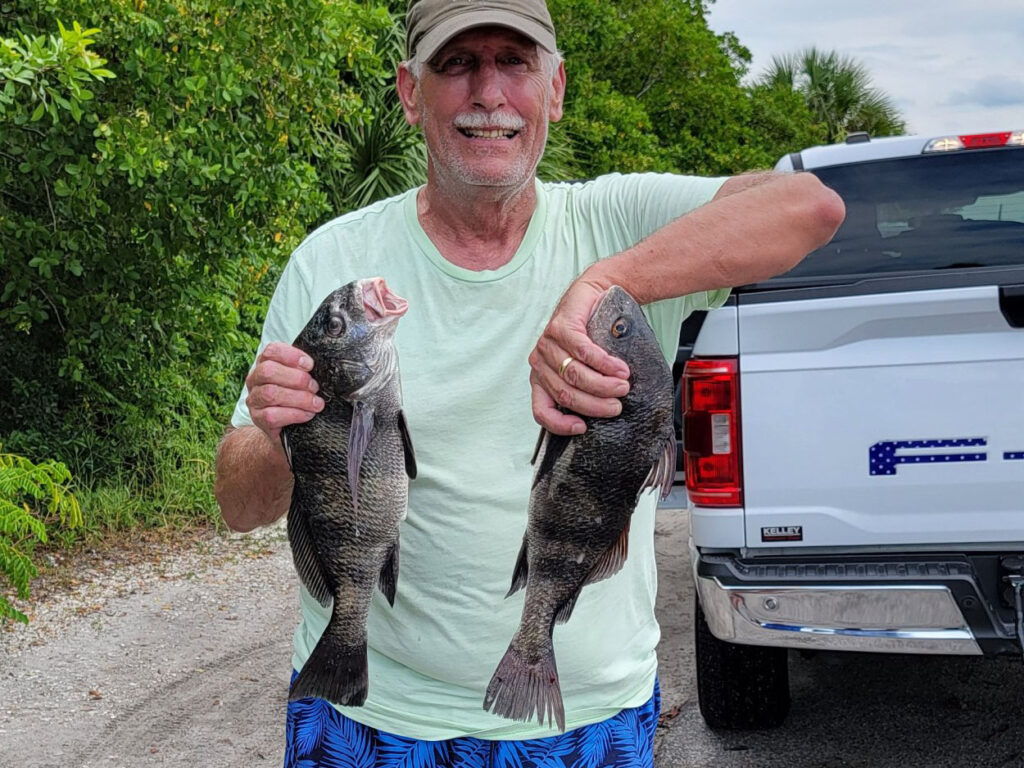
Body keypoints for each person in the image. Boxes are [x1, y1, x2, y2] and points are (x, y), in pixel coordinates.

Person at [214, 0, 845, 764]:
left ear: (555, 89)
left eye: (514, 62)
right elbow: (237, 505)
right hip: (372, 715)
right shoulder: (332, 262)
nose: (488, 93)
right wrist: (283, 441)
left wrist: (608, 283)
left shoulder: (618, 221)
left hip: (585, 718)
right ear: (411, 93)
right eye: (457, 64)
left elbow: (811, 207)